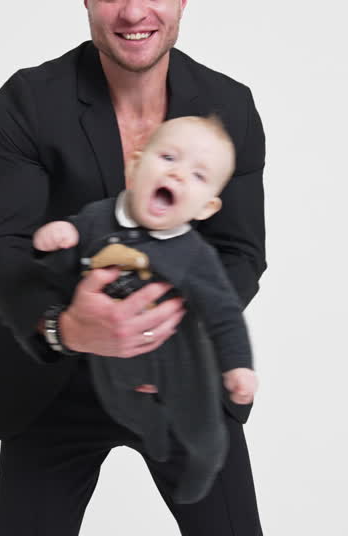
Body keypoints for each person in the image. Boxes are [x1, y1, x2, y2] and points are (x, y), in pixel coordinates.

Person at [0, 0, 266, 535]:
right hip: (50, 378)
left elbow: (241, 251)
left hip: (180, 375)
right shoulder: (26, 102)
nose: (135, 12)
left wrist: (161, 318)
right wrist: (67, 326)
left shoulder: (230, 108)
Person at [32, 115, 258, 504]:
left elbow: (224, 314)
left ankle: (206, 457)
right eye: (168, 157)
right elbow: (61, 272)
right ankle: (149, 425)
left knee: (201, 424)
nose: (180, 175)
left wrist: (238, 365)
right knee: (124, 406)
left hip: (178, 360)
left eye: (199, 176)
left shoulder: (194, 255)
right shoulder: (96, 218)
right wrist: (59, 240)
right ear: (135, 166)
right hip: (109, 356)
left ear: (206, 208)